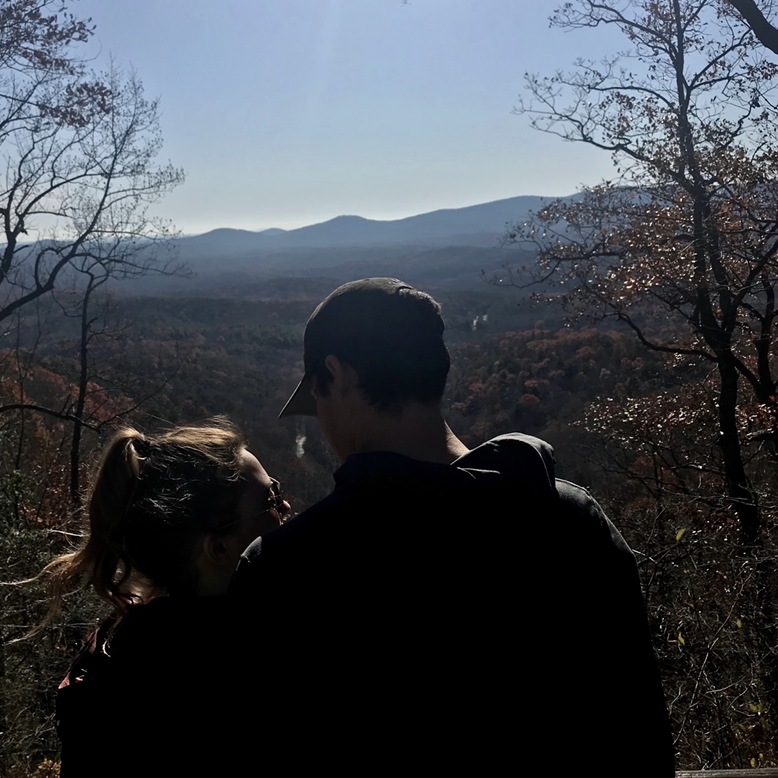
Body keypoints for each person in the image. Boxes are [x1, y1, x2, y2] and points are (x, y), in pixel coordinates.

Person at [230, 277, 675, 775]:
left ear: (336, 375)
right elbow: (640, 738)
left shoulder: (285, 570)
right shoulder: (571, 520)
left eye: (318, 395)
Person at [48, 418, 289, 778]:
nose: (287, 511)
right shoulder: (243, 672)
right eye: (271, 500)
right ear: (218, 547)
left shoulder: (120, 653)